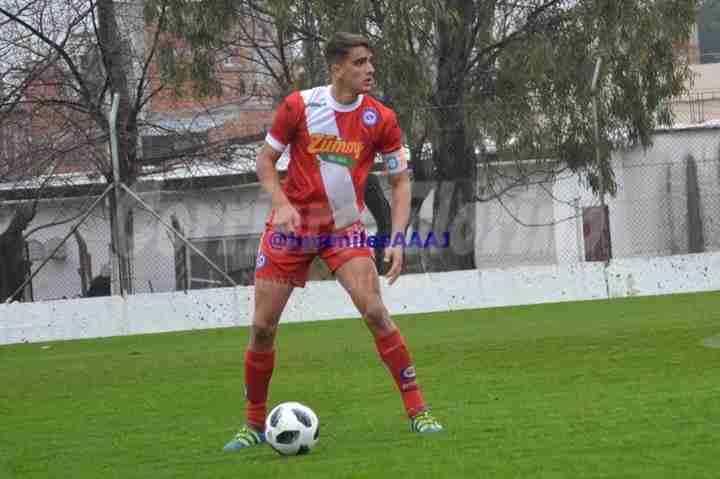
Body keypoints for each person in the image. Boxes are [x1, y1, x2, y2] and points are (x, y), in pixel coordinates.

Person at [223, 32, 443, 451]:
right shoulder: (299, 106)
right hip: (290, 230)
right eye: (359, 63)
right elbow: (265, 161)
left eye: (370, 62)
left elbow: (400, 182)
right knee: (262, 327)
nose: (369, 70)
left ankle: (419, 411)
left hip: (343, 229)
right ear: (337, 67)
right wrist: (281, 202)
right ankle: (252, 425)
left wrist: (396, 237)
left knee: (376, 312)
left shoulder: (382, 118)